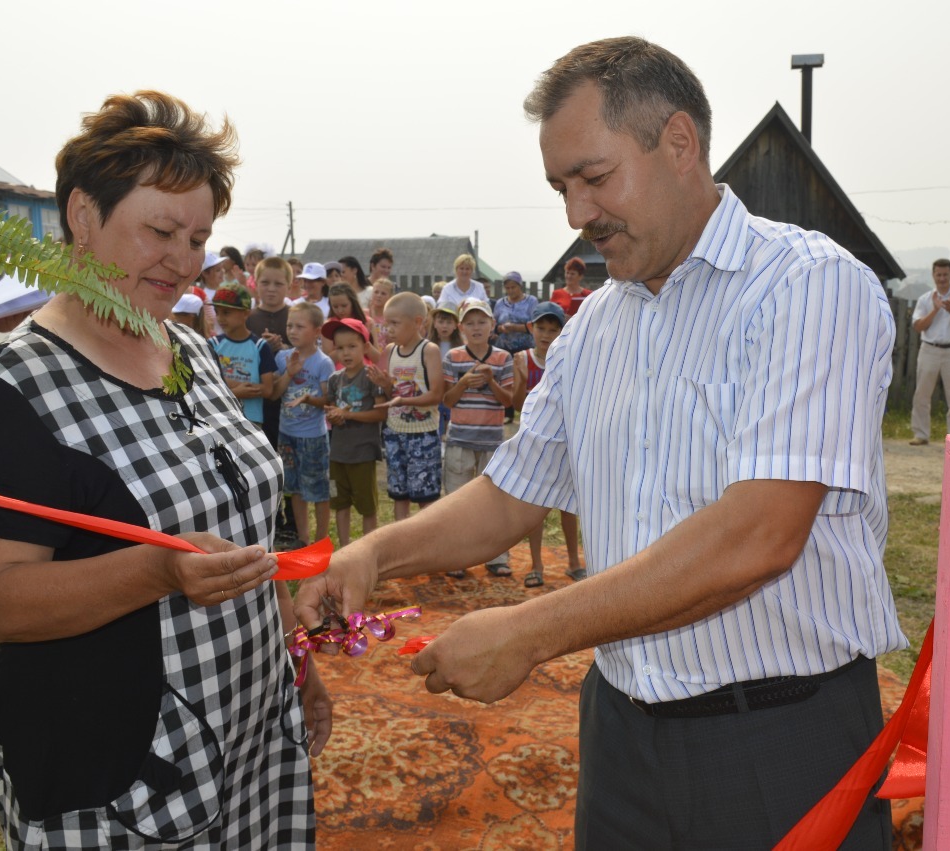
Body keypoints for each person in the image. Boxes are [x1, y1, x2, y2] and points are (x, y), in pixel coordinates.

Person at [295, 37, 902, 849]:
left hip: (782, 734)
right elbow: (512, 493)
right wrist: (375, 554)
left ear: (679, 143)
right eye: (561, 188)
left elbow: (759, 534)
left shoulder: (807, 286)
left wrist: (529, 629)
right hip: (623, 729)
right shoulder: (597, 327)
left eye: (594, 177)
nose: (578, 215)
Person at [0, 91, 328, 847]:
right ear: (84, 215)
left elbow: (240, 520)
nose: (183, 260)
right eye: (160, 230)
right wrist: (154, 572)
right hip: (121, 768)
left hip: (245, 726)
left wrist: (293, 658)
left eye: (199, 238)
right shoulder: (15, 389)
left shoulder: (186, 350)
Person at [439, 299, 514, 579]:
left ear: (492, 326)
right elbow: (447, 400)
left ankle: (496, 557)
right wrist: (462, 383)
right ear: (461, 329)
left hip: (492, 440)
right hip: (459, 437)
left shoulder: (502, 358)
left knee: (493, 502)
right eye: (470, 323)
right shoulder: (453, 358)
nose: (476, 327)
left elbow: (509, 402)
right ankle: (457, 557)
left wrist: (491, 382)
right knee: (456, 502)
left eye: (482, 322)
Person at [511, 302, 583, 587]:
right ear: (531, 328)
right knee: (534, 506)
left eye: (554, 329)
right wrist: (519, 379)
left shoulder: (569, 359)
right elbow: (516, 405)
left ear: (562, 331)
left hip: (564, 439)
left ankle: (574, 562)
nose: (546, 334)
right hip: (533, 442)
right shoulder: (522, 359)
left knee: (569, 506)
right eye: (541, 328)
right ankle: (536, 564)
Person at [367, 292, 444, 522]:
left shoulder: (428, 351)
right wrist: (384, 386)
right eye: (386, 323)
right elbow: (392, 393)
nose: (388, 329)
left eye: (395, 323)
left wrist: (404, 400)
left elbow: (436, 395)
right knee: (399, 494)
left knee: (425, 497)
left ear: (418, 322)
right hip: (394, 432)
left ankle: (429, 544)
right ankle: (403, 545)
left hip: (422, 435)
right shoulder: (390, 351)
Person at [316, 317, 387, 546]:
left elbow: (380, 414)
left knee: (367, 507)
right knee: (340, 503)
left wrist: (347, 414)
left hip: (363, 453)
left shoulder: (370, 376)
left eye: (352, 346)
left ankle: (368, 549)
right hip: (338, 453)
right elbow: (331, 409)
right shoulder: (335, 379)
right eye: (340, 348)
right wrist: (334, 415)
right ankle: (345, 548)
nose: (345, 353)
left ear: (365, 347)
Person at [271, 303, 335, 549]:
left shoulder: (323, 363)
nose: (293, 331)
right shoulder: (282, 357)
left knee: (318, 489)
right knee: (294, 487)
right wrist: (288, 373)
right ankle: (303, 537)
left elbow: (328, 401)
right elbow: (275, 394)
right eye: (290, 325)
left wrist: (309, 399)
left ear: (317, 331)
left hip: (313, 437)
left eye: (300, 326)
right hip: (287, 434)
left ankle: (321, 539)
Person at [908, 259, 950, 445]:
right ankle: (921, 434)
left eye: (945, 275)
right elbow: (918, 326)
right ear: (933, 276)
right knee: (922, 394)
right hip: (929, 350)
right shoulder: (925, 299)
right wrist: (935, 310)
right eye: (939, 275)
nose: (942, 278)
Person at [211, 282, 277, 427]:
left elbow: (267, 389)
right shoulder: (212, 344)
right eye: (217, 312)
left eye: (226, 312)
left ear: (246, 313)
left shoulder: (260, 347)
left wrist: (226, 383)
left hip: (250, 420)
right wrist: (236, 391)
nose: (220, 318)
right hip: (220, 417)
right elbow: (209, 384)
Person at [248, 256, 294, 447]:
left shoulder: (296, 314)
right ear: (255, 283)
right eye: (265, 283)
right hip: (259, 395)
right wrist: (262, 348)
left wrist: (284, 349)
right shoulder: (248, 319)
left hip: (292, 394)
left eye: (278, 284)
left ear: (289, 286)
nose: (271, 289)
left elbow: (310, 351)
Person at [492, 271, 537, 423]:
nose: (511, 291)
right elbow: (494, 325)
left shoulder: (531, 302)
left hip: (524, 347)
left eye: (513, 287)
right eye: (508, 288)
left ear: (520, 286)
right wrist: (500, 329)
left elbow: (534, 324)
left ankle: (528, 412)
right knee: (506, 379)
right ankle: (508, 413)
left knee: (524, 379)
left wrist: (515, 327)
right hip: (505, 347)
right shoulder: (500, 303)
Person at [428, 304, 461, 439]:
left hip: (453, 390)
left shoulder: (460, 347)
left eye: (449, 322)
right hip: (435, 390)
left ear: (456, 325)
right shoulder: (428, 345)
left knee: (451, 419)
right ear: (434, 324)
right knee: (437, 420)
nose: (444, 326)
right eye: (441, 322)